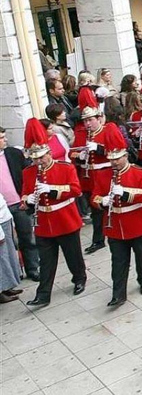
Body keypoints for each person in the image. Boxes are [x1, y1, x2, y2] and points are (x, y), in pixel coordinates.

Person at [21, 119, 86, 308]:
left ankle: (79, 278)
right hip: (43, 222)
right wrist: (28, 200)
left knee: (73, 255)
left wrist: (51, 189)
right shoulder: (28, 172)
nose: (39, 162)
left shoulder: (64, 167)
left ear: (49, 153)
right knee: (46, 261)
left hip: (64, 217)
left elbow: (76, 190)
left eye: (41, 157)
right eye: (35, 159)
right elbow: (23, 195)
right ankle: (43, 294)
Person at [91, 125, 142, 306]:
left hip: (137, 220)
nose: (114, 163)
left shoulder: (140, 172)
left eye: (117, 159)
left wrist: (126, 193)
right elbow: (94, 197)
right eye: (111, 159)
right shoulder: (103, 176)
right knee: (118, 261)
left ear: (125, 156)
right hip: (114, 224)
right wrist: (101, 202)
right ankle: (118, 294)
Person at [70, 87, 112, 254]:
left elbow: (118, 151)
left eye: (91, 120)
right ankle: (99, 239)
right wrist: (79, 155)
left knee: (107, 205)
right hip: (88, 176)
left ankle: (106, 234)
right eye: (85, 121)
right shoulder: (80, 133)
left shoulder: (108, 130)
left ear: (98, 118)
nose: (88, 124)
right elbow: (71, 152)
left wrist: (100, 149)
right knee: (95, 209)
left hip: (104, 174)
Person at [0, 126, 40, 280]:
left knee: (27, 236)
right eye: (2, 138)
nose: (6, 140)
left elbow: (27, 175)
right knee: (8, 242)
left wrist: (27, 196)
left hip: (18, 202)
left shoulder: (14, 154)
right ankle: (15, 273)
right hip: (2, 209)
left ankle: (33, 268)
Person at [0, 193, 23, 303]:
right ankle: (1, 291)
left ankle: (8, 286)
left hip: (4, 218)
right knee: (2, 259)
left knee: (8, 255)